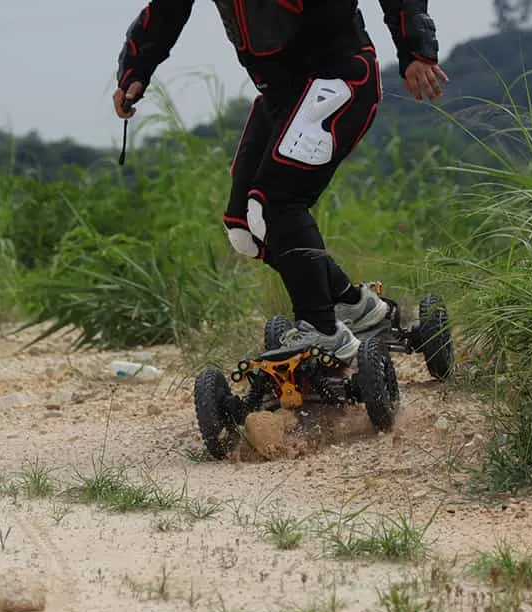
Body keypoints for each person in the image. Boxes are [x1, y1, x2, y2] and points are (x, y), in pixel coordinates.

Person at [112, 0, 447, 360]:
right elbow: (166, 11)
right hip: (280, 95)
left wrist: (415, 49)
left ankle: (322, 331)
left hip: (338, 78)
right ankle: (355, 307)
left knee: (275, 203)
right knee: (245, 229)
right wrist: (135, 72)